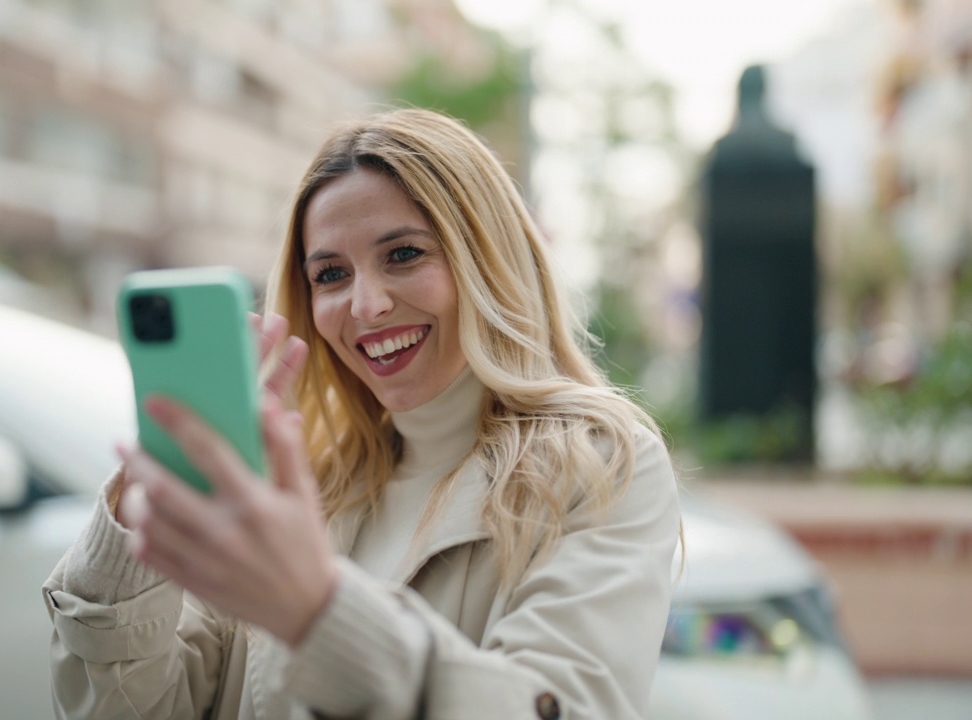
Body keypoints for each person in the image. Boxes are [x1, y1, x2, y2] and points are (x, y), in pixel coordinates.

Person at [43, 108, 681, 720]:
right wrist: (138, 524)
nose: (366, 305)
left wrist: (318, 612)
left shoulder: (601, 467)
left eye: (403, 254)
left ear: (485, 257)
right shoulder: (302, 481)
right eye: (330, 274)